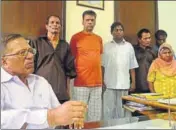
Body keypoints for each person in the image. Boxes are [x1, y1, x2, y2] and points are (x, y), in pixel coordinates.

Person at [1, 34, 87, 129]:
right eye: (22, 53)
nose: (30, 56)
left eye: (30, 51)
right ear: (5, 62)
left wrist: (71, 116)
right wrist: (50, 117)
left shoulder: (41, 82)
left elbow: (58, 112)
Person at [29, 15, 76, 104]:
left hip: (60, 92)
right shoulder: (37, 43)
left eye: (57, 23)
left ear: (60, 27)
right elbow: (30, 67)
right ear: (46, 26)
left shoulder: (65, 45)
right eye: (52, 22)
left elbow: (69, 71)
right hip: (40, 89)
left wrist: (68, 91)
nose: (55, 25)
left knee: (60, 116)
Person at [70, 10, 103, 121]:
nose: (90, 22)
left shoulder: (99, 39)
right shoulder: (75, 38)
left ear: (95, 22)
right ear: (83, 22)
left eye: (92, 20)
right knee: (79, 116)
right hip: (81, 83)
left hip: (97, 83)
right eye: (87, 20)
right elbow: (71, 60)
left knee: (95, 117)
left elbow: (99, 59)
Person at [102, 22, 138, 120]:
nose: (118, 32)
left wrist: (133, 82)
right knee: (108, 111)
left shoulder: (129, 46)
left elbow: (132, 66)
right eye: (116, 30)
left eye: (120, 30)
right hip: (109, 85)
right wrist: (101, 81)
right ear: (111, 32)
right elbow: (102, 66)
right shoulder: (106, 46)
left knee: (123, 111)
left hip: (124, 84)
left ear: (123, 32)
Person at [133, 28, 156, 93]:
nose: (148, 40)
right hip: (136, 85)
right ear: (139, 39)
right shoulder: (133, 50)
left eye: (149, 38)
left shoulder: (153, 51)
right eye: (145, 38)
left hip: (150, 85)